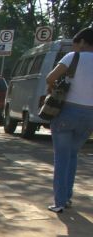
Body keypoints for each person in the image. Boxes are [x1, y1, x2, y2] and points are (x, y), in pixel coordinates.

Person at [46, 27, 93, 213]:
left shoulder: (73, 57)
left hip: (67, 112)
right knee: (73, 155)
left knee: (61, 157)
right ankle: (67, 198)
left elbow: (50, 78)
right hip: (89, 116)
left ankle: (59, 202)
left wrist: (52, 89)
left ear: (82, 42)